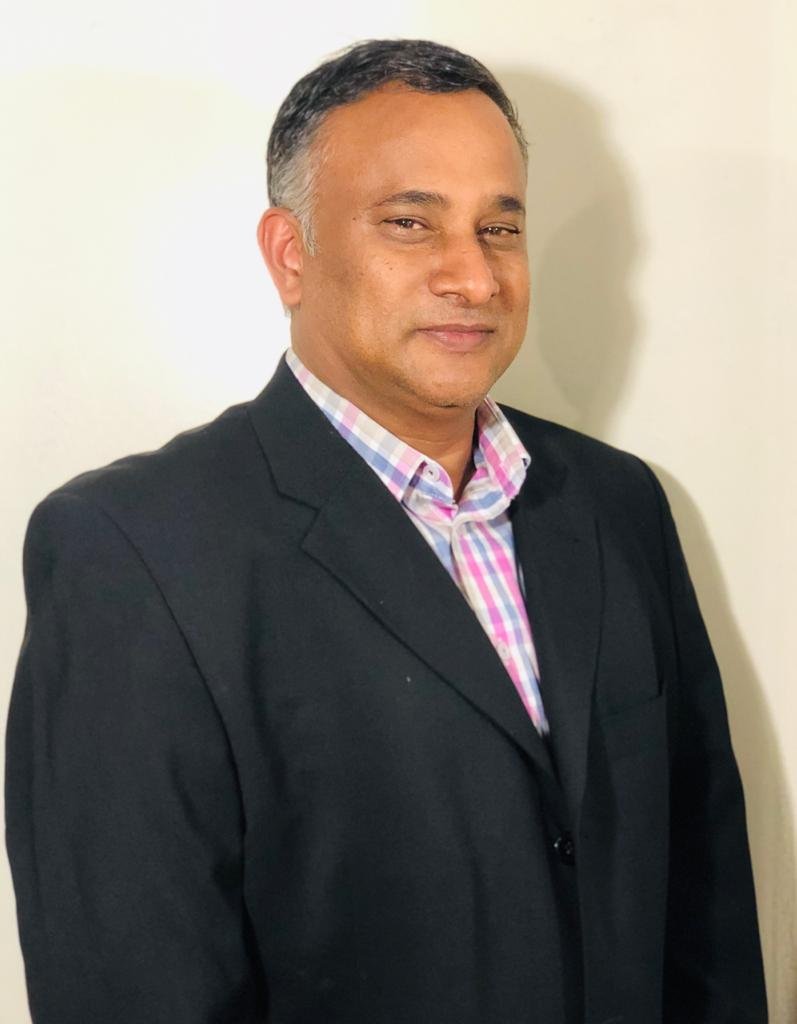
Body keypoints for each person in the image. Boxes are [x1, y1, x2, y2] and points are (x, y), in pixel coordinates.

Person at [5, 38, 767, 1024]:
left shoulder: (616, 505)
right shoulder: (133, 551)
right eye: (410, 223)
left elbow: (702, 895)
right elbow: (133, 984)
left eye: (500, 227)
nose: (473, 276)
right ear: (291, 254)